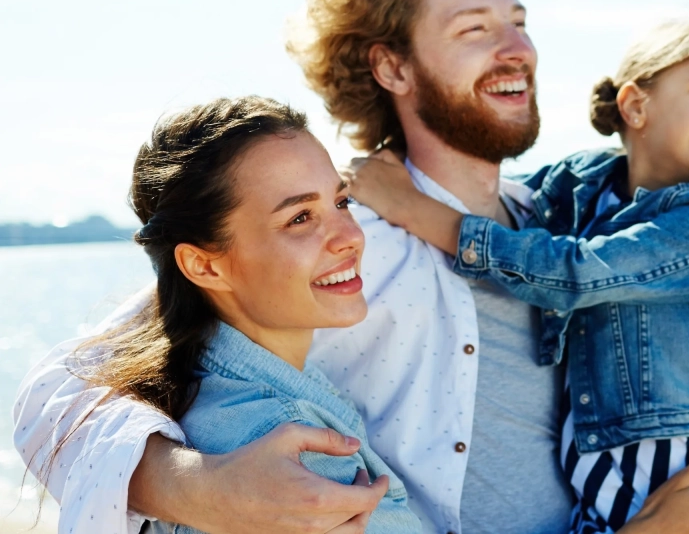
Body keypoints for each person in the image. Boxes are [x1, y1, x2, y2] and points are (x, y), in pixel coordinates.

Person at [13, 0, 689, 534]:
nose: (518, 49)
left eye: (518, 23)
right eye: (475, 29)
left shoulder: (556, 223)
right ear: (393, 67)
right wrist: (202, 489)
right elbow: (53, 396)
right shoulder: (342, 237)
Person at [343, 20, 689, 532]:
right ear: (635, 106)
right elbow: (478, 184)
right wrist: (389, 166)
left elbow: (572, 271)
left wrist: (408, 206)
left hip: (662, 473)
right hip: (585, 475)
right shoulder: (582, 181)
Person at [49, 96, 421, 533]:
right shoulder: (287, 450)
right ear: (204, 266)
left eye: (341, 202)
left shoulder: (195, 388)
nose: (350, 237)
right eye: (300, 218)